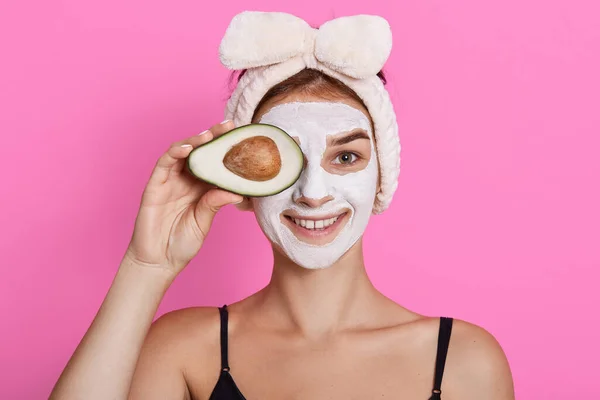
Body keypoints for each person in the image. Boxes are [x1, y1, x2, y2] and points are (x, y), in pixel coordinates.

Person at [50, 11, 515, 400]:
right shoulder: (185, 350)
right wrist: (146, 267)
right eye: (282, 161)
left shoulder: (462, 361)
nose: (313, 192)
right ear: (244, 182)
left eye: (346, 156)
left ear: (381, 177)